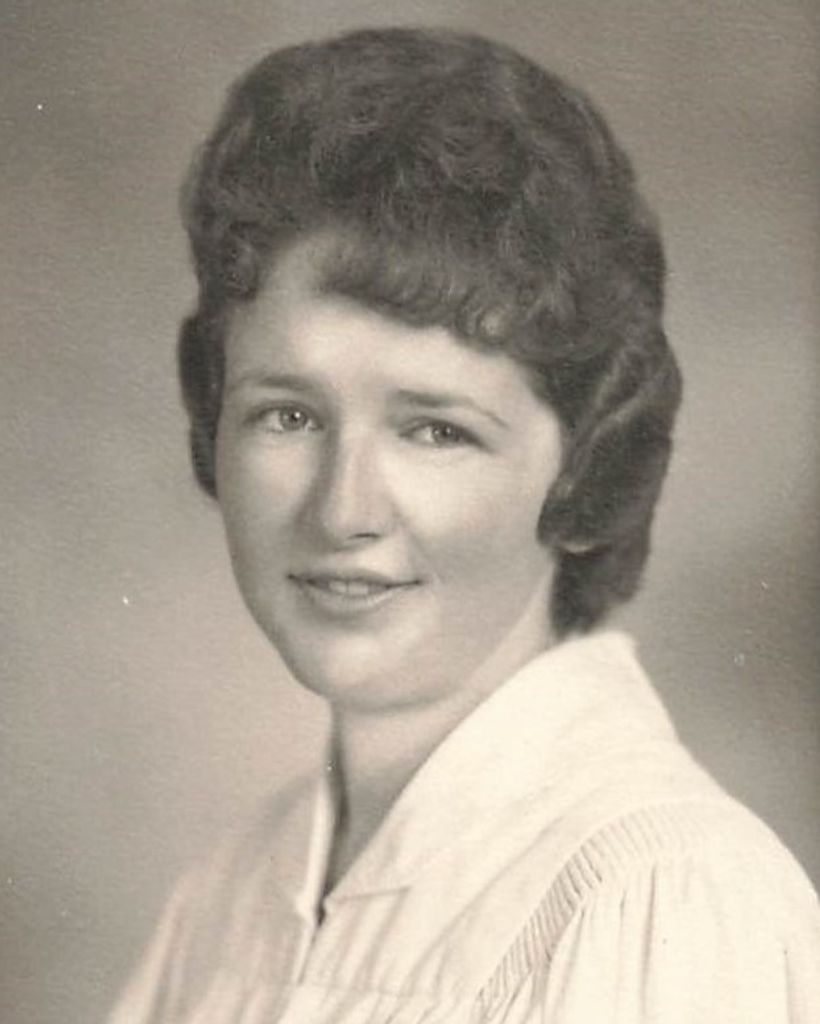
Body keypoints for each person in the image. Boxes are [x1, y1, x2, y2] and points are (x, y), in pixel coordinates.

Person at [109, 26, 820, 1023]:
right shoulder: (232, 896)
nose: (343, 510)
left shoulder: (658, 897)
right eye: (288, 415)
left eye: (435, 430)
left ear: (586, 461)